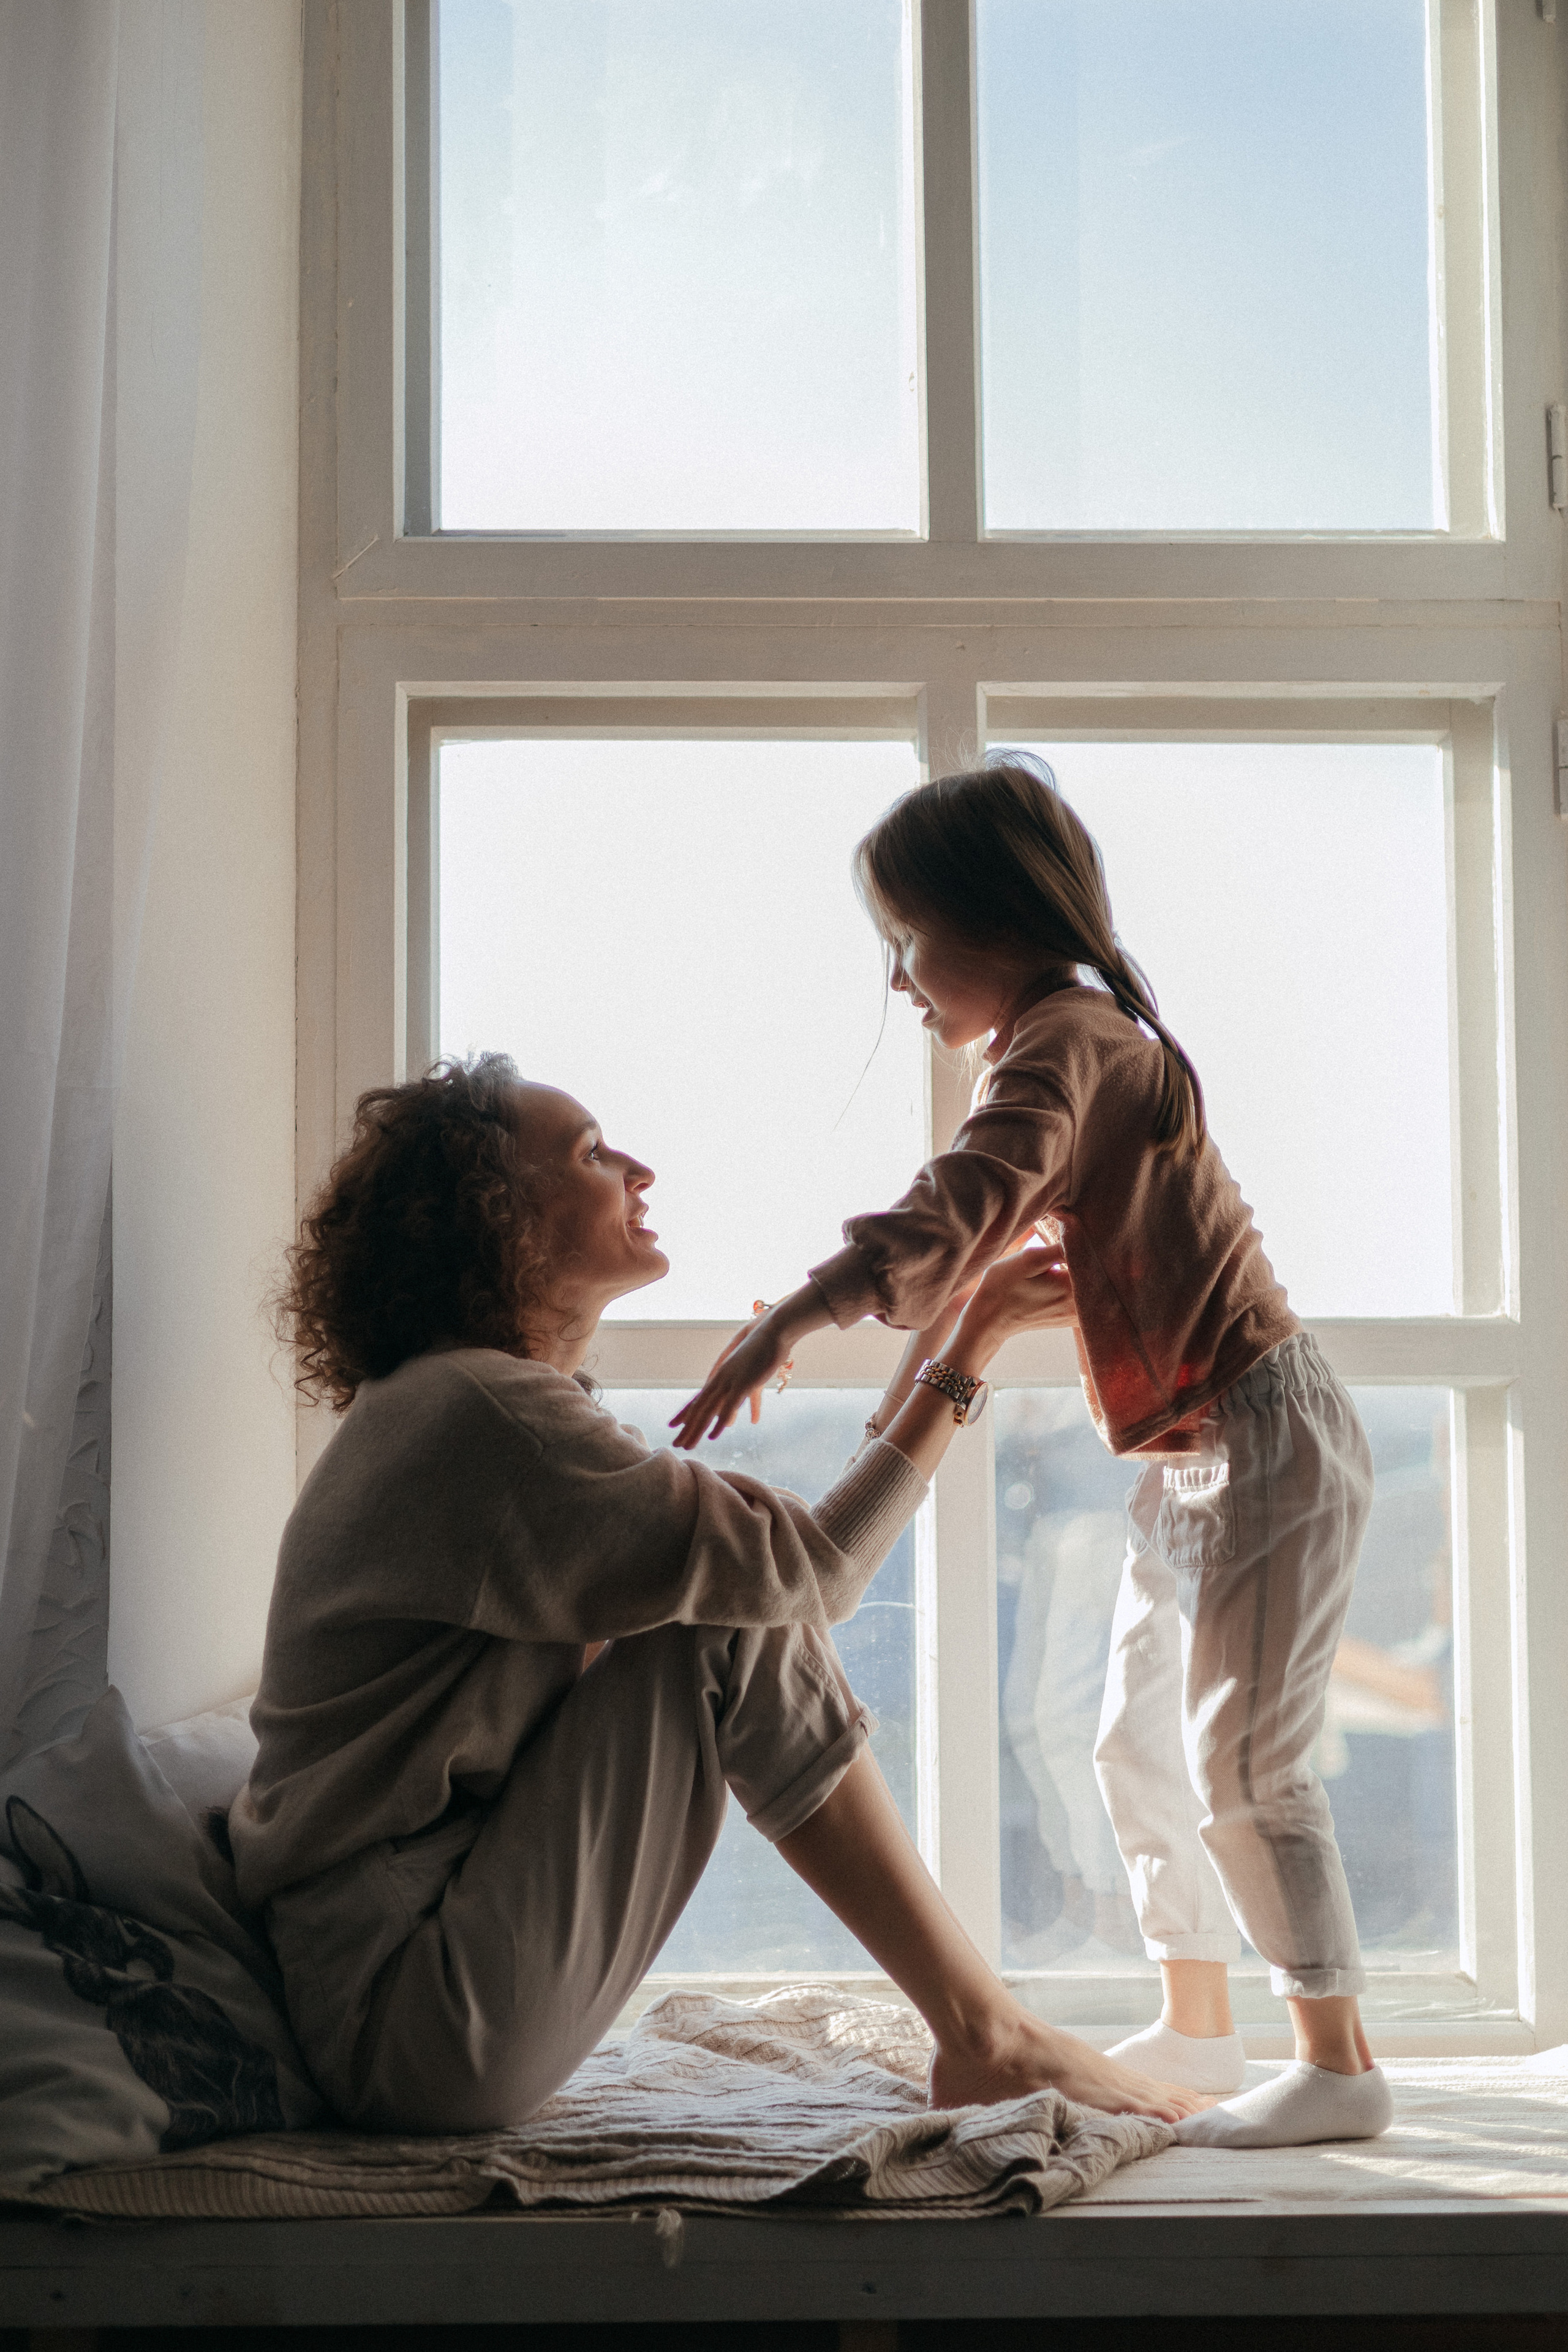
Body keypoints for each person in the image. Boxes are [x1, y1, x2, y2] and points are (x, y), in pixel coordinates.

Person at [230, 1052, 1204, 2135]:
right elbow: (816, 1575)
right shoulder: (478, 1417)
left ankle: (986, 2033)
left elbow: (779, 1563)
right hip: (406, 2023)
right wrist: (963, 1346)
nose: (639, 1170)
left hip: (404, 1981)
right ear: (493, 1215)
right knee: (720, 1629)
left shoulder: (458, 1407)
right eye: (594, 1154)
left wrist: (958, 1338)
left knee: (724, 1606)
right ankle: (986, 2036)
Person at [672, 758, 1393, 2150]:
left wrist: (804, 1321)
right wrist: (848, 1318)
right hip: (1192, 1446)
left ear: (989, 920)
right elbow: (981, 1256)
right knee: (1128, 1748)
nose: (899, 985)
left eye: (904, 944)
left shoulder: (1064, 1037)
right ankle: (1197, 2010)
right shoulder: (1082, 1040)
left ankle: (1338, 2058)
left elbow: (965, 1199)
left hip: (1260, 1433)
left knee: (1245, 1758)